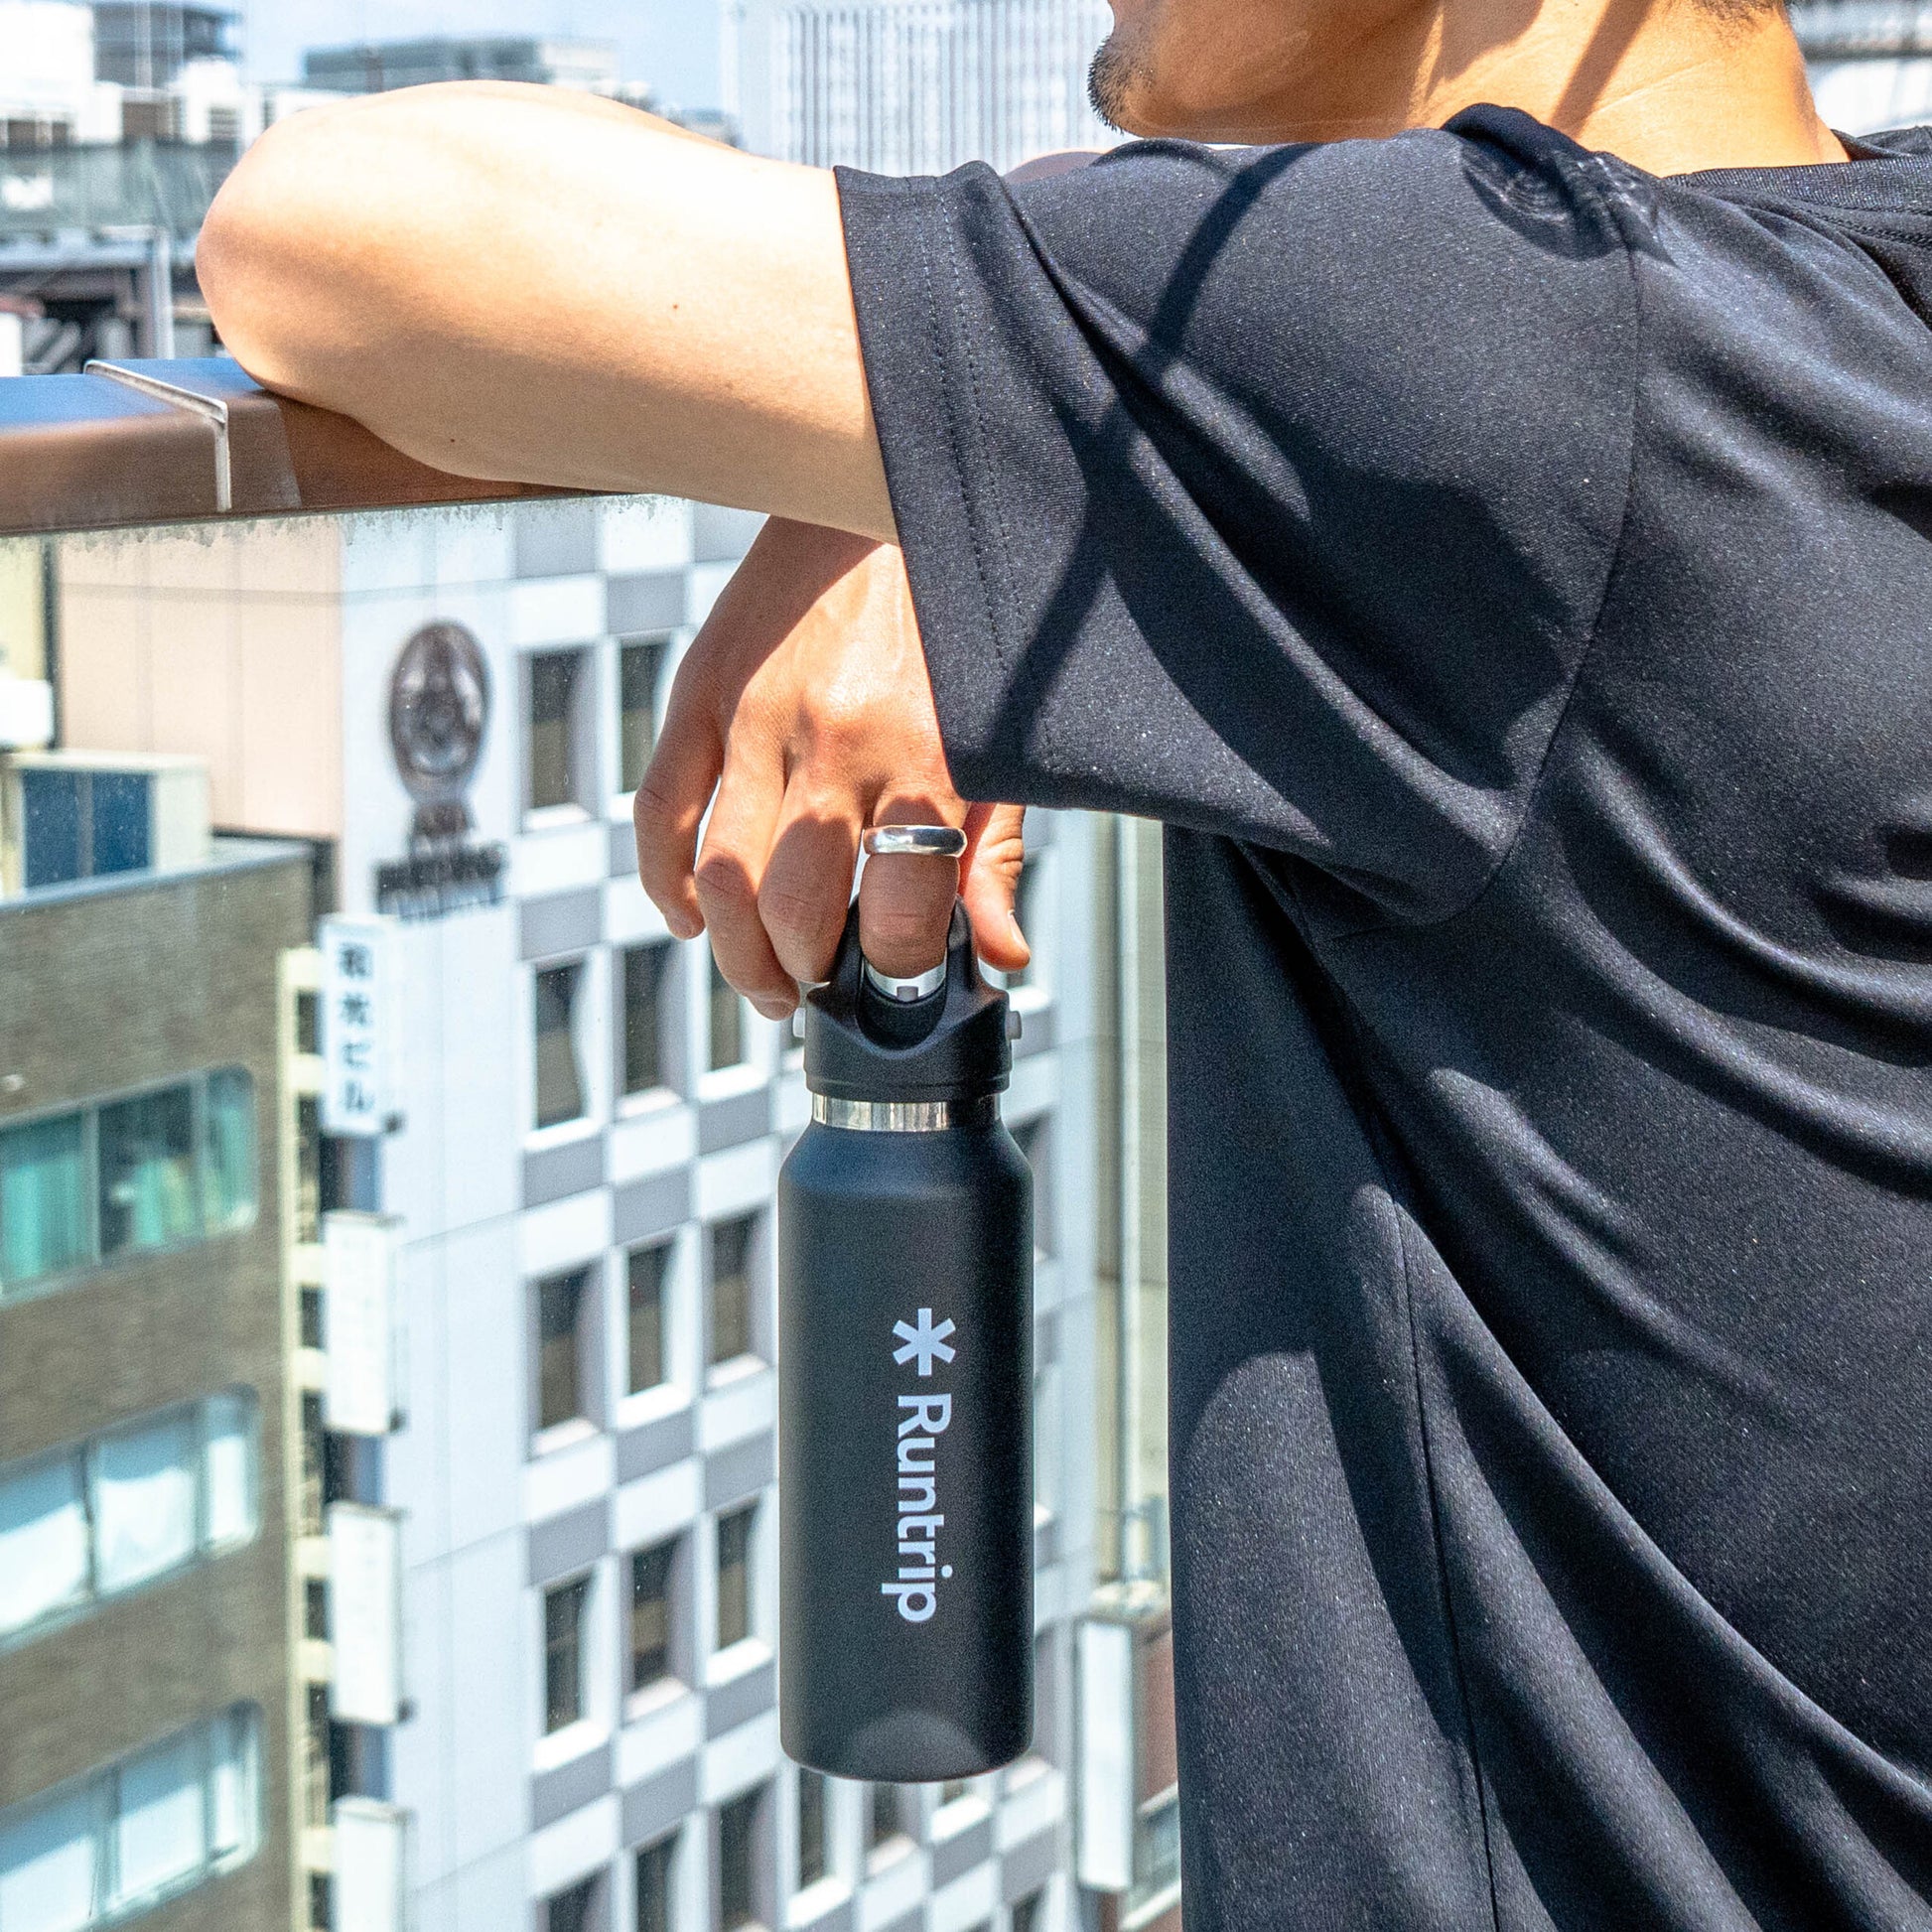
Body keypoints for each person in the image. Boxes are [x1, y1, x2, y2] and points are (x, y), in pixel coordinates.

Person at [198, 0, 1932, 1918]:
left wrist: (974, 417)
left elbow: (328, 235)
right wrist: (988, 454)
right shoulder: (1851, 282)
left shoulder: (1511, 347)